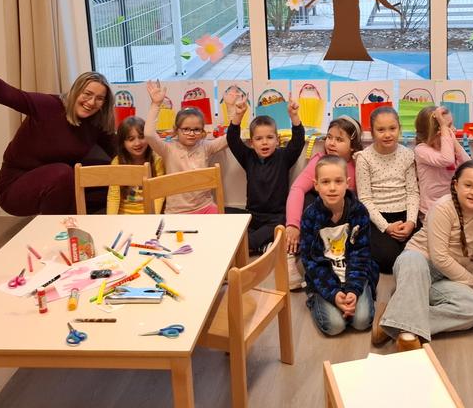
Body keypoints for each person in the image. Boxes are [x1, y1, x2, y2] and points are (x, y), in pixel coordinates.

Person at [0, 29, 116, 216]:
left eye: (99, 98)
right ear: (75, 91)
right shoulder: (48, 106)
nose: (91, 102)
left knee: (110, 174)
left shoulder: (96, 123)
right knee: (63, 172)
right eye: (87, 94)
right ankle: (55, 228)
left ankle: (79, 218)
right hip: (16, 186)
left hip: (60, 184)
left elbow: (118, 149)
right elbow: (5, 94)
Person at [372, 160, 473, 348]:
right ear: (455, 185)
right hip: (420, 266)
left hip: (449, 276)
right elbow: (440, 258)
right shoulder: (443, 207)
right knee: (412, 259)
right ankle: (406, 332)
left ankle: (394, 318)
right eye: (468, 185)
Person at [298, 155, 378, 336]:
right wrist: (333, 294)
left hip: (353, 274)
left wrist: (353, 290)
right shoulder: (310, 216)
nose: (332, 187)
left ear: (347, 183)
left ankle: (356, 296)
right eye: (325, 182)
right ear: (316, 185)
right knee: (335, 326)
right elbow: (311, 262)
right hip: (325, 279)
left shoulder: (359, 212)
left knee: (362, 322)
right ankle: (315, 298)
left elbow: (361, 255)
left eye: (338, 181)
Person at [284, 115, 363, 288]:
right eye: (329, 137)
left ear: (353, 146)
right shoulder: (319, 161)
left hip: (342, 221)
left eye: (339, 139)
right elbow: (297, 189)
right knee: (309, 200)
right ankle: (291, 254)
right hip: (319, 219)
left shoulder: (360, 164)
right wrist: (293, 225)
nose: (331, 143)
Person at [226, 96, 305, 254]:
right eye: (259, 139)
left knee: (250, 239)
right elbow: (232, 140)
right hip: (252, 216)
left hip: (276, 218)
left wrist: (294, 116)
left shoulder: (283, 157)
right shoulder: (248, 157)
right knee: (222, 213)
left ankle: (254, 245)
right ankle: (261, 245)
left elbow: (298, 142)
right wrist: (238, 115)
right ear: (251, 143)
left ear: (277, 140)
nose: (264, 142)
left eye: (269, 137)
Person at [144, 79, 228, 214]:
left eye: (196, 129)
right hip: (176, 211)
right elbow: (149, 134)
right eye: (186, 129)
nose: (191, 134)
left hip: (205, 207)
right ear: (176, 130)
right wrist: (156, 104)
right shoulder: (168, 149)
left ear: (202, 131)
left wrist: (234, 114)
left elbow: (229, 139)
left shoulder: (205, 147)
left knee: (223, 222)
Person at [355, 107, 419, 273]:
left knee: (419, 253)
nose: (388, 134)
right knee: (388, 259)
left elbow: (413, 192)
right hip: (378, 217)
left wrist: (411, 222)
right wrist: (386, 227)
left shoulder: (407, 155)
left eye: (392, 128)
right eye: (381, 130)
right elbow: (365, 199)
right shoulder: (364, 158)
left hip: (405, 214)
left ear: (399, 129)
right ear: (372, 132)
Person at [413, 105, 470, 220]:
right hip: (431, 210)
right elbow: (447, 160)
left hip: (452, 207)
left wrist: (454, 142)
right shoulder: (421, 150)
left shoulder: (448, 147)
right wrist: (445, 128)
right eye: (450, 125)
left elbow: (468, 166)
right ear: (438, 131)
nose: (454, 129)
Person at [106, 116, 166, 215]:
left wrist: (152, 217)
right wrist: (111, 220)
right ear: (123, 143)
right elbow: (114, 196)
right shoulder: (117, 162)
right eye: (131, 139)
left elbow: (159, 195)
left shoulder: (157, 160)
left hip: (149, 215)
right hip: (123, 215)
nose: (137, 143)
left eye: (141, 137)